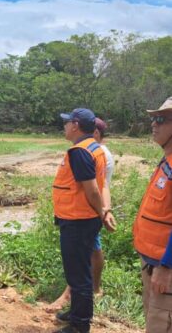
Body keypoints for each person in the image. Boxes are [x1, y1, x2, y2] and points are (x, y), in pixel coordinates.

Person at [51, 108, 115, 333]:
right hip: (80, 219)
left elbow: (93, 191)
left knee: (79, 275)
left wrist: (102, 212)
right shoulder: (94, 148)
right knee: (78, 271)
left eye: (67, 123)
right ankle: (77, 312)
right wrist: (102, 213)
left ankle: (80, 325)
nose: (65, 126)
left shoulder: (80, 151)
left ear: (76, 125)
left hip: (78, 221)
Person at [133, 96, 172, 332]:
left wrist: (166, 267)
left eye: (161, 119)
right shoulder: (166, 161)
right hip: (152, 265)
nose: (153, 124)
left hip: (165, 271)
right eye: (153, 119)